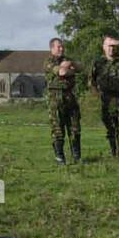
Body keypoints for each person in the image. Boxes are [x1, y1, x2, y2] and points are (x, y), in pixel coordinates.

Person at [44, 37, 81, 165]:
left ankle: (77, 157)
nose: (61, 48)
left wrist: (69, 66)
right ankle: (60, 157)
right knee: (58, 130)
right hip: (56, 100)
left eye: (62, 46)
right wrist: (67, 68)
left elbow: (79, 67)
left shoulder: (67, 59)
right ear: (52, 48)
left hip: (70, 98)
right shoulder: (48, 62)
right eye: (58, 46)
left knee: (75, 129)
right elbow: (61, 72)